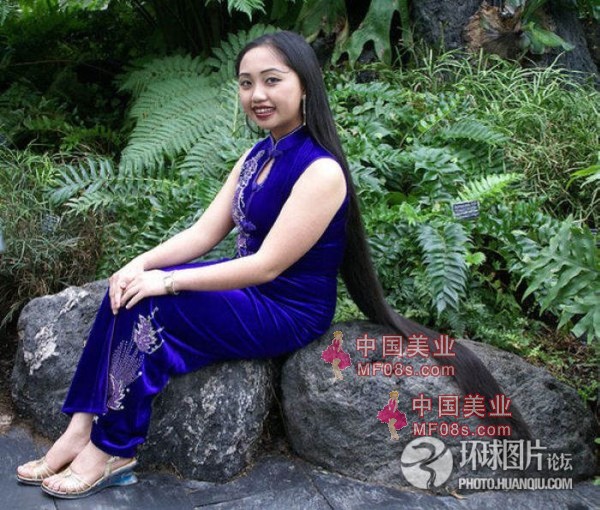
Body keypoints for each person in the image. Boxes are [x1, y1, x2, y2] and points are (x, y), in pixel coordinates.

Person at [16, 30, 531, 499]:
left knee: (153, 308)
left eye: (271, 80)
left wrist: (166, 283)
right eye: (246, 83)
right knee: (124, 293)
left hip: (285, 308)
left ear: (304, 86)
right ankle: (80, 429)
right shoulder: (257, 156)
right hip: (247, 292)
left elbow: (265, 266)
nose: (257, 94)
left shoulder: (322, 171)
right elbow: (203, 234)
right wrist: (139, 265)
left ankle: (114, 449)